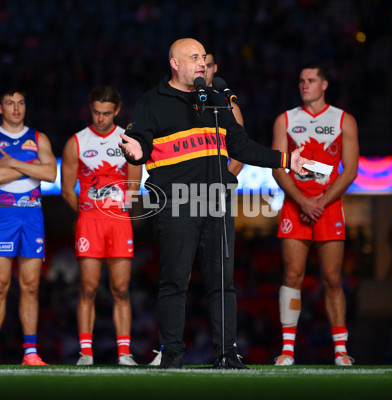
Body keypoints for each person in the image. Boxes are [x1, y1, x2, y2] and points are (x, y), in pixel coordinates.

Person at [119, 38, 310, 369]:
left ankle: (226, 353)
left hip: (216, 203)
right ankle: (173, 356)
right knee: (175, 282)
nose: (201, 64)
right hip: (176, 204)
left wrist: (287, 158)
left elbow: (241, 146)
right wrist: (136, 150)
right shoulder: (152, 102)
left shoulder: (218, 102)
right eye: (194, 58)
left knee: (223, 283)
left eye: (204, 58)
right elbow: (140, 142)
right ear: (175, 64)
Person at [271, 63, 359, 366]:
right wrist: (301, 201)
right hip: (295, 206)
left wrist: (320, 202)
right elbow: (277, 166)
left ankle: (340, 350)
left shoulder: (344, 120)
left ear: (324, 85)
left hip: (328, 205)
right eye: (301, 81)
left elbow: (350, 171)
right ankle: (287, 350)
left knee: (332, 279)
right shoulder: (285, 120)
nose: (304, 85)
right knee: (292, 276)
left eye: (310, 80)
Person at [61, 86, 142, 366]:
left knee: (121, 288)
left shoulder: (128, 140)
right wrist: (85, 212)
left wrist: (119, 208)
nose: (100, 118)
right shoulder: (77, 142)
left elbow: (134, 184)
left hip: (118, 222)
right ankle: (86, 352)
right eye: (96, 112)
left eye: (106, 113)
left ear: (117, 111)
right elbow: (66, 188)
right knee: (88, 288)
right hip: (90, 223)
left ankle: (124, 353)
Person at [0, 85, 57, 366]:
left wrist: (10, 162)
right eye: (10, 103)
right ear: (0, 108)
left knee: (31, 286)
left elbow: (51, 172)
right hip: (3, 215)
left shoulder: (39, 137)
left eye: (20, 103)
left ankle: (30, 353)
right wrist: (28, 164)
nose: (16, 108)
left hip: (32, 214)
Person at [205, 52, 243, 177]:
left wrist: (214, 190)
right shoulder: (178, 104)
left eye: (208, 65)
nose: (204, 71)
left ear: (215, 68)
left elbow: (238, 160)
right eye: (200, 66)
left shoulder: (230, 108)